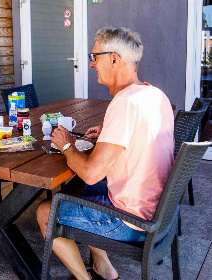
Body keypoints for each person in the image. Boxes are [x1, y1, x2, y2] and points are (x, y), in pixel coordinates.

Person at [36, 27, 174, 280]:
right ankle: (104, 269)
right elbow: (139, 138)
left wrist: (66, 143)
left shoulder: (125, 102)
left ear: (114, 59)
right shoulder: (155, 95)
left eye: (94, 56)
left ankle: (84, 278)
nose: (91, 64)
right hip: (159, 210)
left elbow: (90, 173)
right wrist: (108, 136)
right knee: (80, 191)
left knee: (45, 212)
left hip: (132, 220)